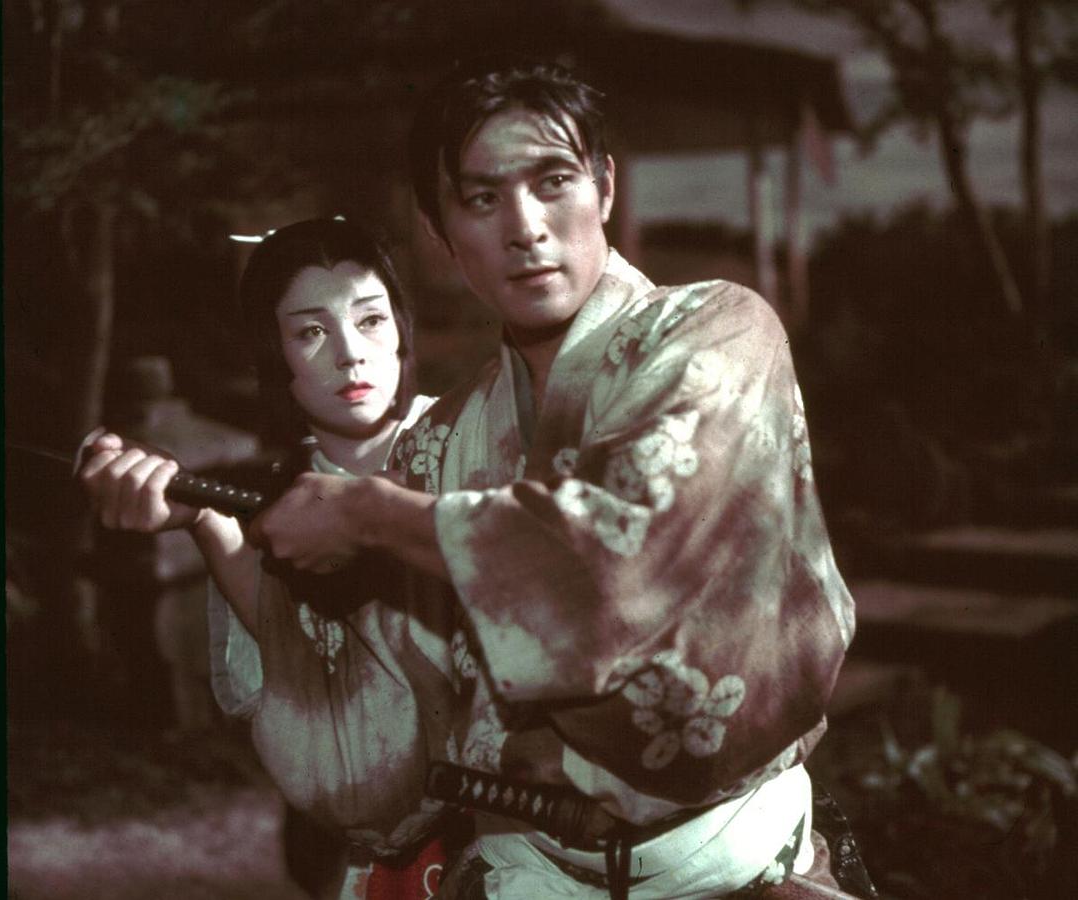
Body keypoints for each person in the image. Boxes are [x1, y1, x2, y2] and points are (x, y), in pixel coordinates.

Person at [248, 59, 863, 899]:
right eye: (481, 199)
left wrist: (367, 513)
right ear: (439, 230)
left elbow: (621, 562)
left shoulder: (720, 333)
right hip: (525, 873)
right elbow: (379, 725)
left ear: (604, 187)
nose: (525, 227)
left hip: (734, 867)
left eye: (553, 181)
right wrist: (207, 529)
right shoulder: (439, 444)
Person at [78, 218, 449, 900]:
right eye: (311, 333)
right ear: (274, 354)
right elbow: (300, 661)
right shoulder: (273, 496)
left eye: (370, 320)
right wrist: (205, 520)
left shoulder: (478, 440)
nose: (351, 354)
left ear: (401, 327)